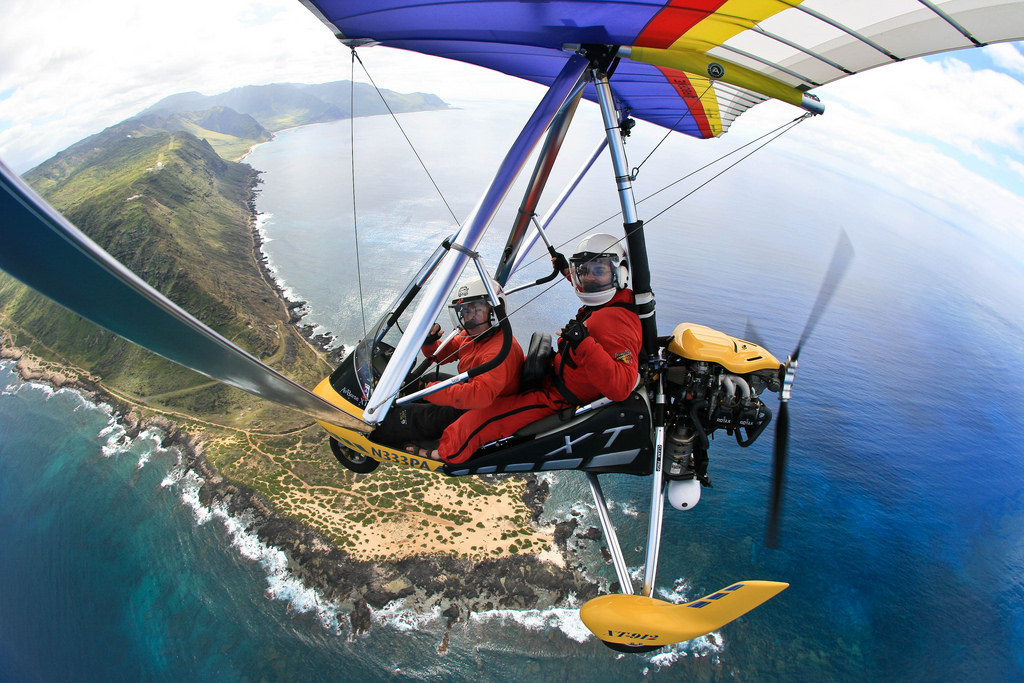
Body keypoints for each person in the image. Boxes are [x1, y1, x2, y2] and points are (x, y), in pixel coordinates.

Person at [428, 233, 643, 463]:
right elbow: (591, 285)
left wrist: (584, 343)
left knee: (485, 420)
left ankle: (446, 453)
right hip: (550, 378)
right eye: (583, 270)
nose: (588, 277)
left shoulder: (616, 320)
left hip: (557, 397)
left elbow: (621, 387)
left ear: (619, 273)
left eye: (598, 270)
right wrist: (566, 272)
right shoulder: (609, 301)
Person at [369, 276, 524, 459]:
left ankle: (387, 430)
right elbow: (441, 354)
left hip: (483, 408)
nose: (469, 317)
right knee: (426, 380)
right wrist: (429, 342)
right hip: (473, 392)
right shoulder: (474, 336)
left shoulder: (499, 350)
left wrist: (422, 390)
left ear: (493, 312)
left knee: (409, 414)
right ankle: (399, 409)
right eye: (466, 311)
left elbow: (479, 396)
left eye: (477, 310)